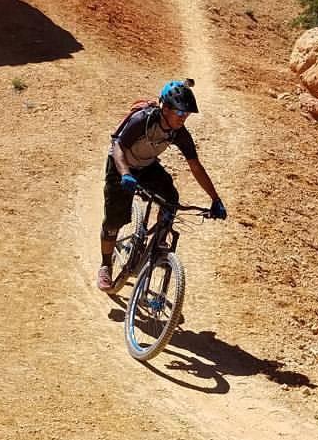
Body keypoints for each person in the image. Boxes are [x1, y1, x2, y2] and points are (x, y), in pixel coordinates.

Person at [97, 79, 226, 291]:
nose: (183, 118)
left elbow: (195, 166)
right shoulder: (142, 120)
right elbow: (119, 146)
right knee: (113, 220)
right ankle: (105, 265)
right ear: (165, 108)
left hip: (146, 165)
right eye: (179, 113)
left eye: (186, 114)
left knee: (170, 198)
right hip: (121, 164)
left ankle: (159, 240)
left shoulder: (179, 133)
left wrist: (215, 199)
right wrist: (126, 174)